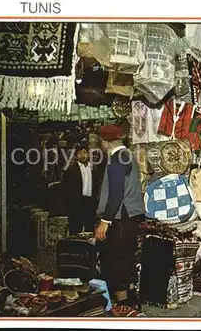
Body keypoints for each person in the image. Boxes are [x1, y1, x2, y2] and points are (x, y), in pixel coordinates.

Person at [95, 124, 145, 309]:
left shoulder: (117, 159)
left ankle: (123, 307)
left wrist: (104, 222)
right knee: (126, 260)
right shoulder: (128, 156)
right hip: (129, 217)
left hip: (120, 219)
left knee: (116, 263)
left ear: (104, 142)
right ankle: (132, 304)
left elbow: (116, 194)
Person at [62, 142, 99, 235]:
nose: (82, 155)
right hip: (76, 202)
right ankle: (75, 248)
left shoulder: (94, 169)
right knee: (75, 228)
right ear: (75, 155)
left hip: (90, 202)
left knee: (90, 228)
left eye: (84, 152)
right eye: (79, 153)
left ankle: (88, 248)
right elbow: (65, 188)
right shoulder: (71, 170)